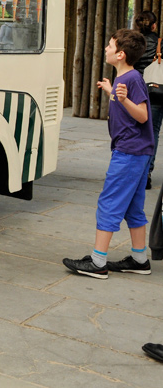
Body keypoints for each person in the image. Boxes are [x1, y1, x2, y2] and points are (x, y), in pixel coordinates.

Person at [63, 29, 154, 278]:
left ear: (121, 54)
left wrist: (122, 99)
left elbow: (143, 115)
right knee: (133, 208)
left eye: (110, 46)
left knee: (109, 203)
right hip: (136, 151)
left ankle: (98, 262)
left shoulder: (133, 79)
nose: (106, 48)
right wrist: (111, 90)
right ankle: (139, 259)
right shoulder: (125, 78)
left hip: (130, 152)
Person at [133, 11, 163, 190]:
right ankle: (147, 173)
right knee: (153, 131)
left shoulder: (133, 43)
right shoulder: (160, 42)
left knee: (138, 131)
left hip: (136, 91)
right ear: (154, 25)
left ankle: (137, 172)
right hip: (156, 93)